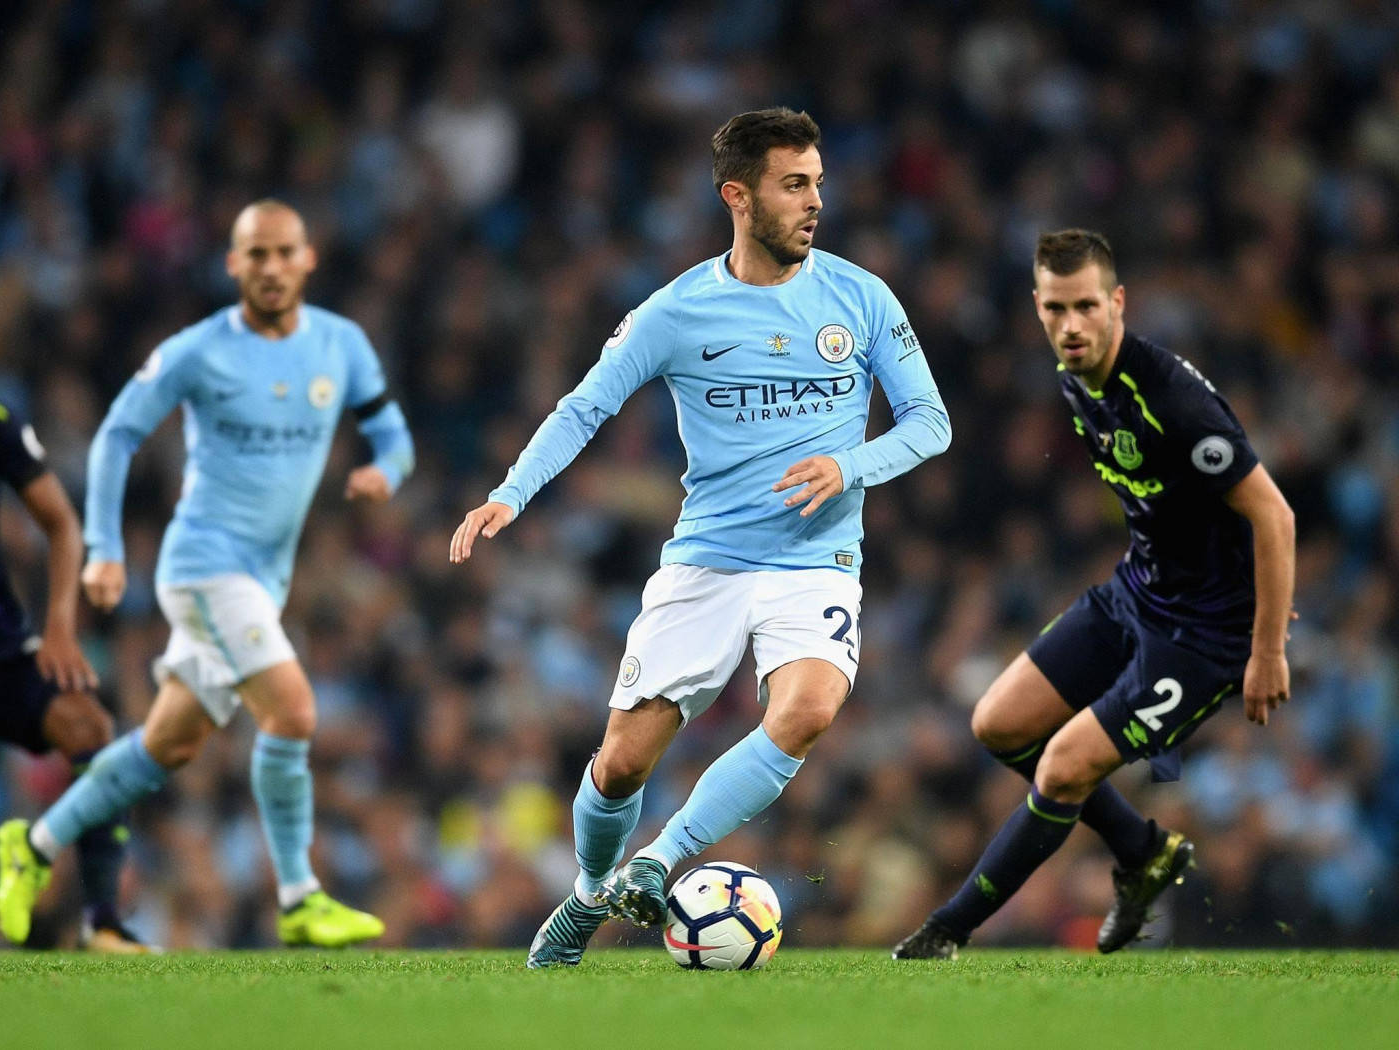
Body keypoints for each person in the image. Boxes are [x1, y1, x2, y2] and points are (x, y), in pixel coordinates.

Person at [450, 107, 952, 968]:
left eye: (818, 183)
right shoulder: (676, 311)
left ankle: (661, 857)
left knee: (808, 712)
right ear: (739, 195)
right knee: (618, 767)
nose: (814, 201)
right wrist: (510, 494)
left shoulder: (861, 297)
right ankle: (586, 897)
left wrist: (849, 467)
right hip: (708, 560)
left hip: (816, 561)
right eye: (794, 185)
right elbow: (586, 406)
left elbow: (931, 423)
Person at [0, 200, 414, 948]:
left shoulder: (342, 345)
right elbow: (118, 433)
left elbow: (394, 435)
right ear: (234, 265)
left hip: (267, 576)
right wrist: (103, 547)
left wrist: (384, 472)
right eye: (256, 254)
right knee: (292, 712)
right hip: (203, 564)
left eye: (285, 252)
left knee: (168, 746)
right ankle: (299, 896)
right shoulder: (197, 351)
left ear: (307, 259)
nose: (272, 268)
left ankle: (29, 848)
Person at [893, 229, 1295, 960]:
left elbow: (1273, 514)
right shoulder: (1075, 376)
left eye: (1085, 306)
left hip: (1206, 636)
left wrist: (1266, 649)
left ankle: (946, 930)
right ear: (1038, 309)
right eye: (1054, 309)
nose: (1070, 325)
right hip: (1136, 592)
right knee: (998, 724)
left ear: (1117, 303)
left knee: (1063, 766)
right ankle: (1144, 851)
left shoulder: (1172, 397)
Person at [0, 401, 148, 952]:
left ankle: (102, 921)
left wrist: (59, 627)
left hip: (5, 652)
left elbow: (61, 523)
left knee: (89, 728)